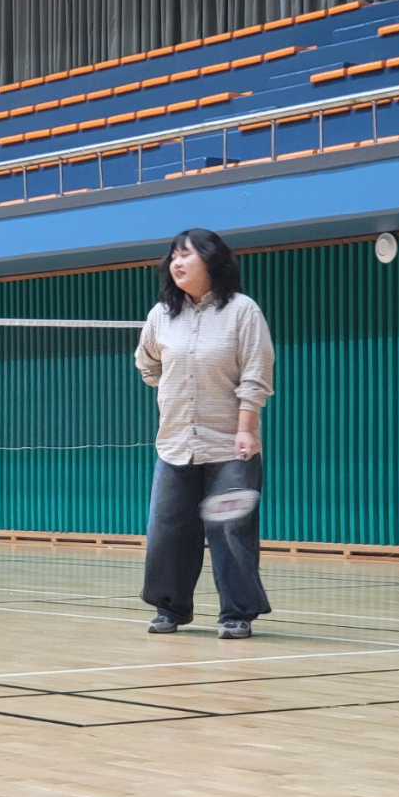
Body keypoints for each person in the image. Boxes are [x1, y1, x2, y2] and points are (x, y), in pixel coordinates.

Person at [135, 228, 275, 639]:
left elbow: (256, 375)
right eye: (173, 256)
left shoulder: (243, 312)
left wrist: (246, 429)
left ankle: (237, 612)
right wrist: (171, 389)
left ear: (211, 260)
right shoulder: (161, 315)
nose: (176, 263)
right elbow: (147, 364)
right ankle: (170, 607)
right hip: (175, 442)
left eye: (186, 255)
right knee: (167, 529)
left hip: (230, 444)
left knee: (230, 530)